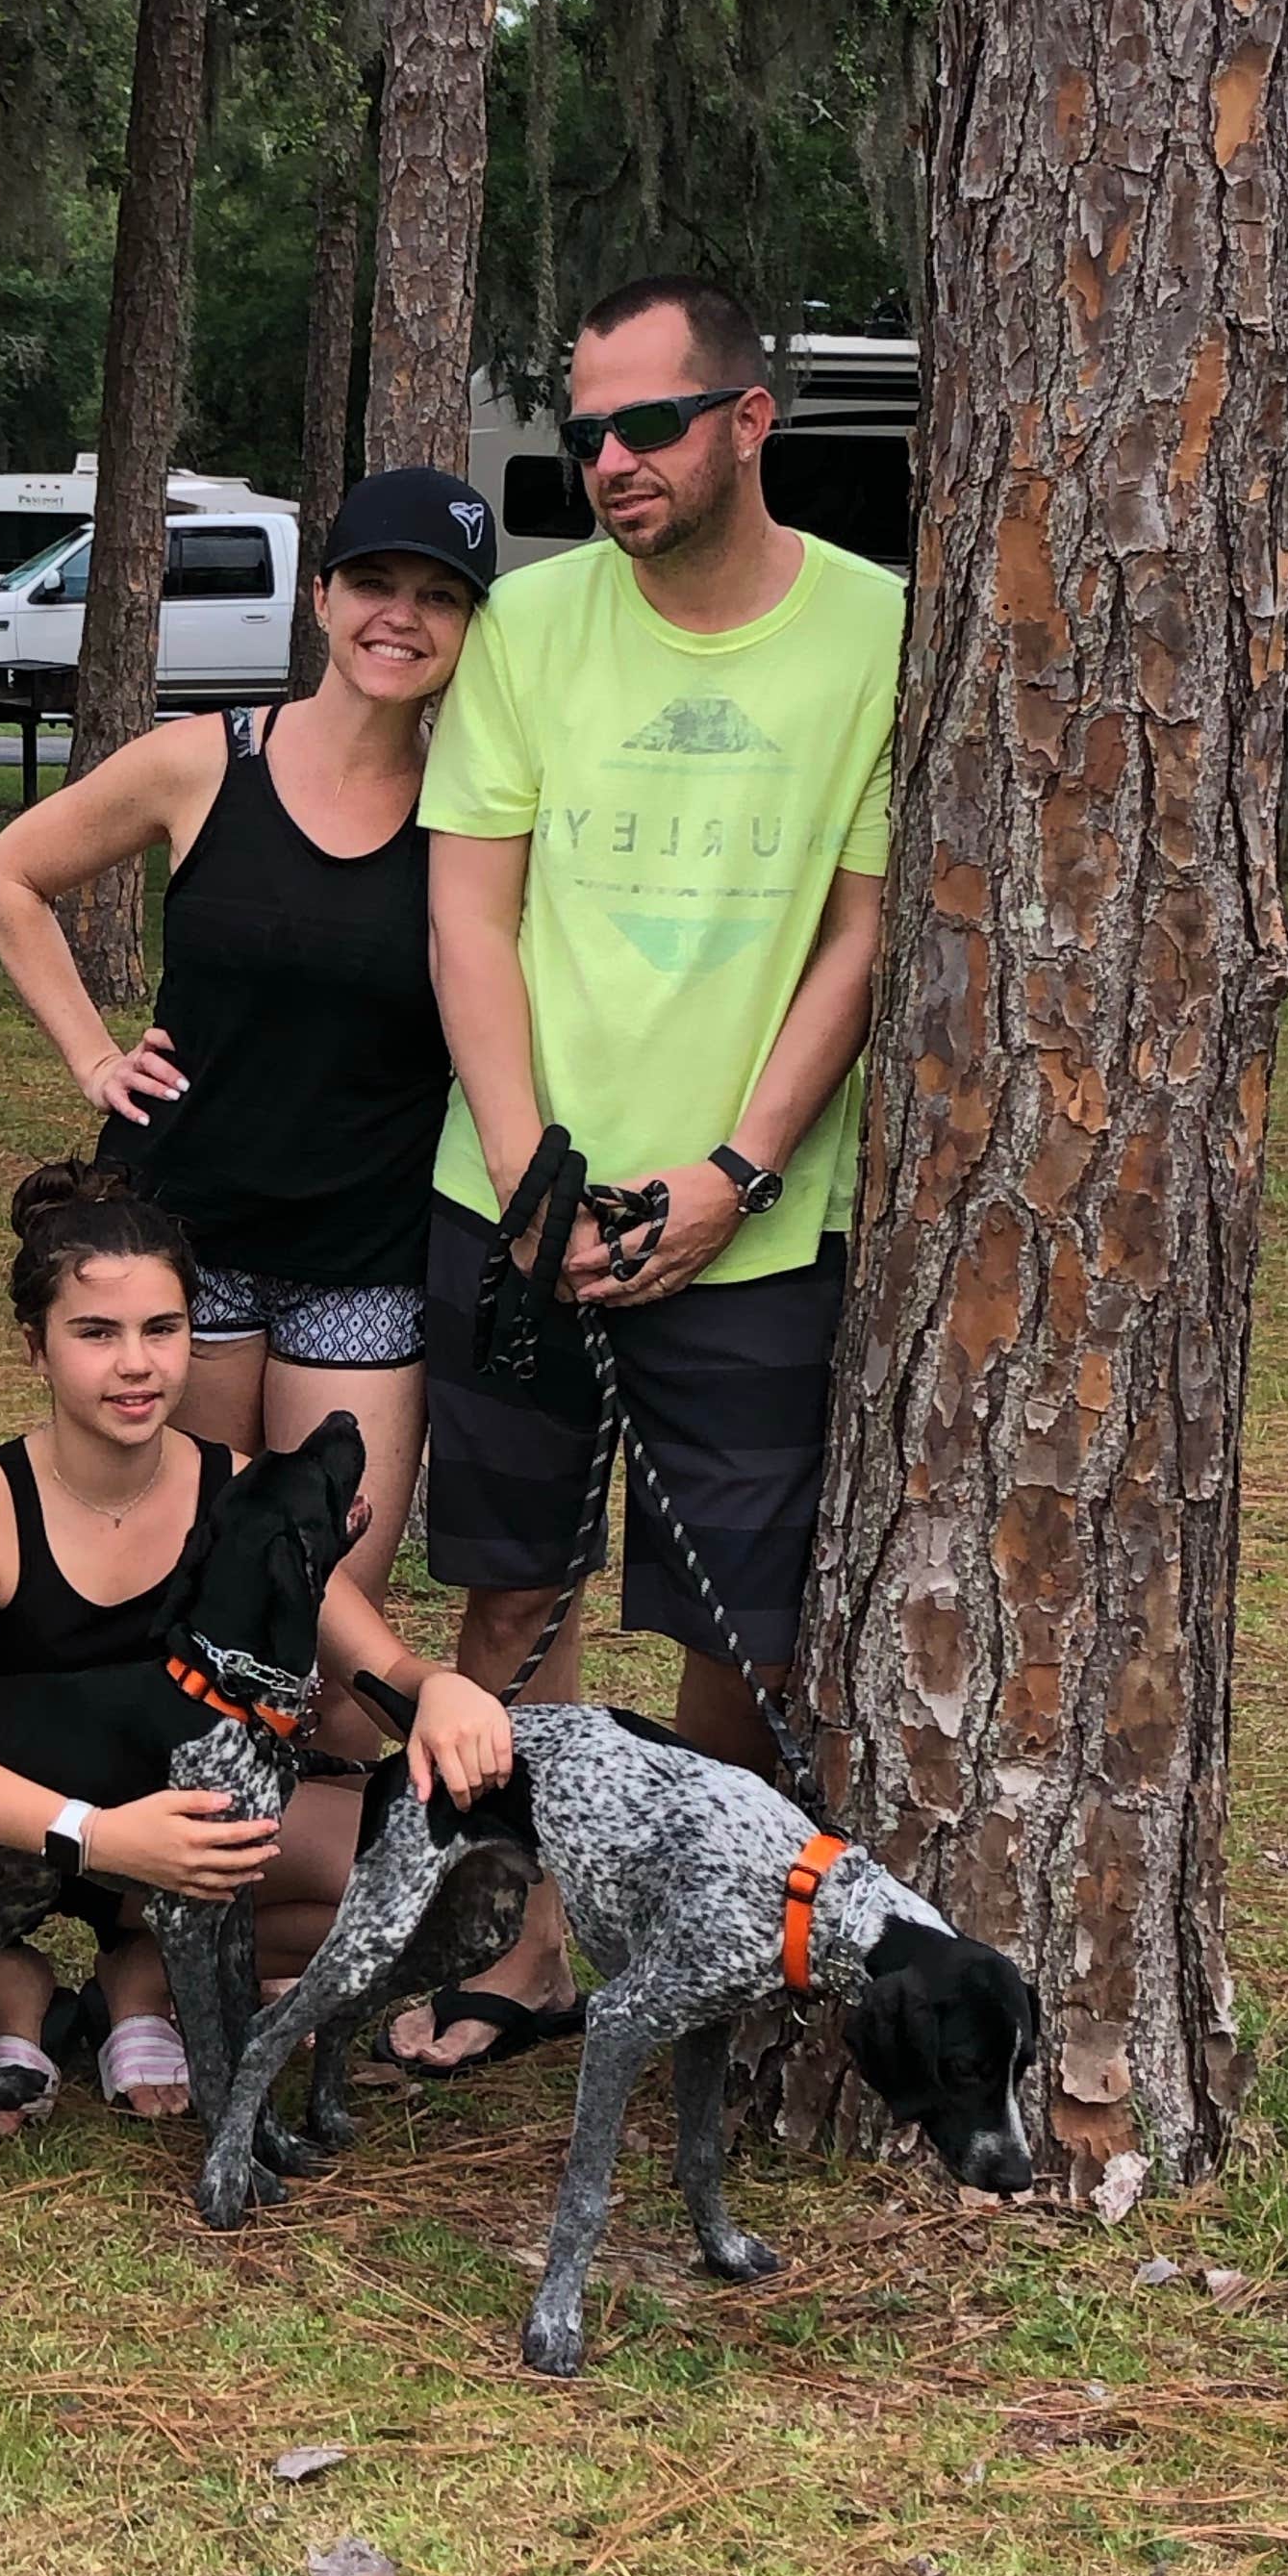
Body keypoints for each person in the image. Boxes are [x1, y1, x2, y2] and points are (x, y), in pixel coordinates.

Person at [391, 272, 900, 2074]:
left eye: (648, 424)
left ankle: (665, 1948)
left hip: (750, 1227)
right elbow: (469, 911)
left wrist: (737, 1171)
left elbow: (860, 931)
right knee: (512, 1586)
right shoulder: (530, 626)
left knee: (725, 1620)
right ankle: (528, 1942)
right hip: (514, 1201)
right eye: (584, 427)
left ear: (748, 420)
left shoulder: (877, 629)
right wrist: (524, 1164)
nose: (609, 459)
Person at [0, 1163, 515, 2120]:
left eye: (163, 1329)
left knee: (430, 1884)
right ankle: (8, 1985)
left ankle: (143, 1975)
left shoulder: (240, 1491)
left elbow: (383, 1664)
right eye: (96, 1333)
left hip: (173, 1845)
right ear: (35, 1350)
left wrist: (439, 1688)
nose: (136, 1364)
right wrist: (98, 1833)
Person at [0, 468, 492, 1563]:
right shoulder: (205, 762)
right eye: (374, 584)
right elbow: (9, 875)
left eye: (439, 596)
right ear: (322, 597)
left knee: (327, 1589)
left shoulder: (474, 810)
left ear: (468, 627)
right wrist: (93, 1057)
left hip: (366, 1252)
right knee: (184, 1575)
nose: (401, 617)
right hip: (183, 1238)